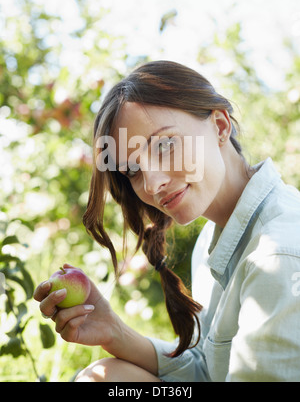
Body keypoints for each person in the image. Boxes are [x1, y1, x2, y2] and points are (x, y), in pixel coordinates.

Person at [34, 60, 300, 382]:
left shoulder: (277, 255)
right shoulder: (212, 241)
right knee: (104, 376)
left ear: (219, 126)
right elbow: (207, 370)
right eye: (132, 170)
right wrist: (112, 330)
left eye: (164, 145)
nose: (150, 184)